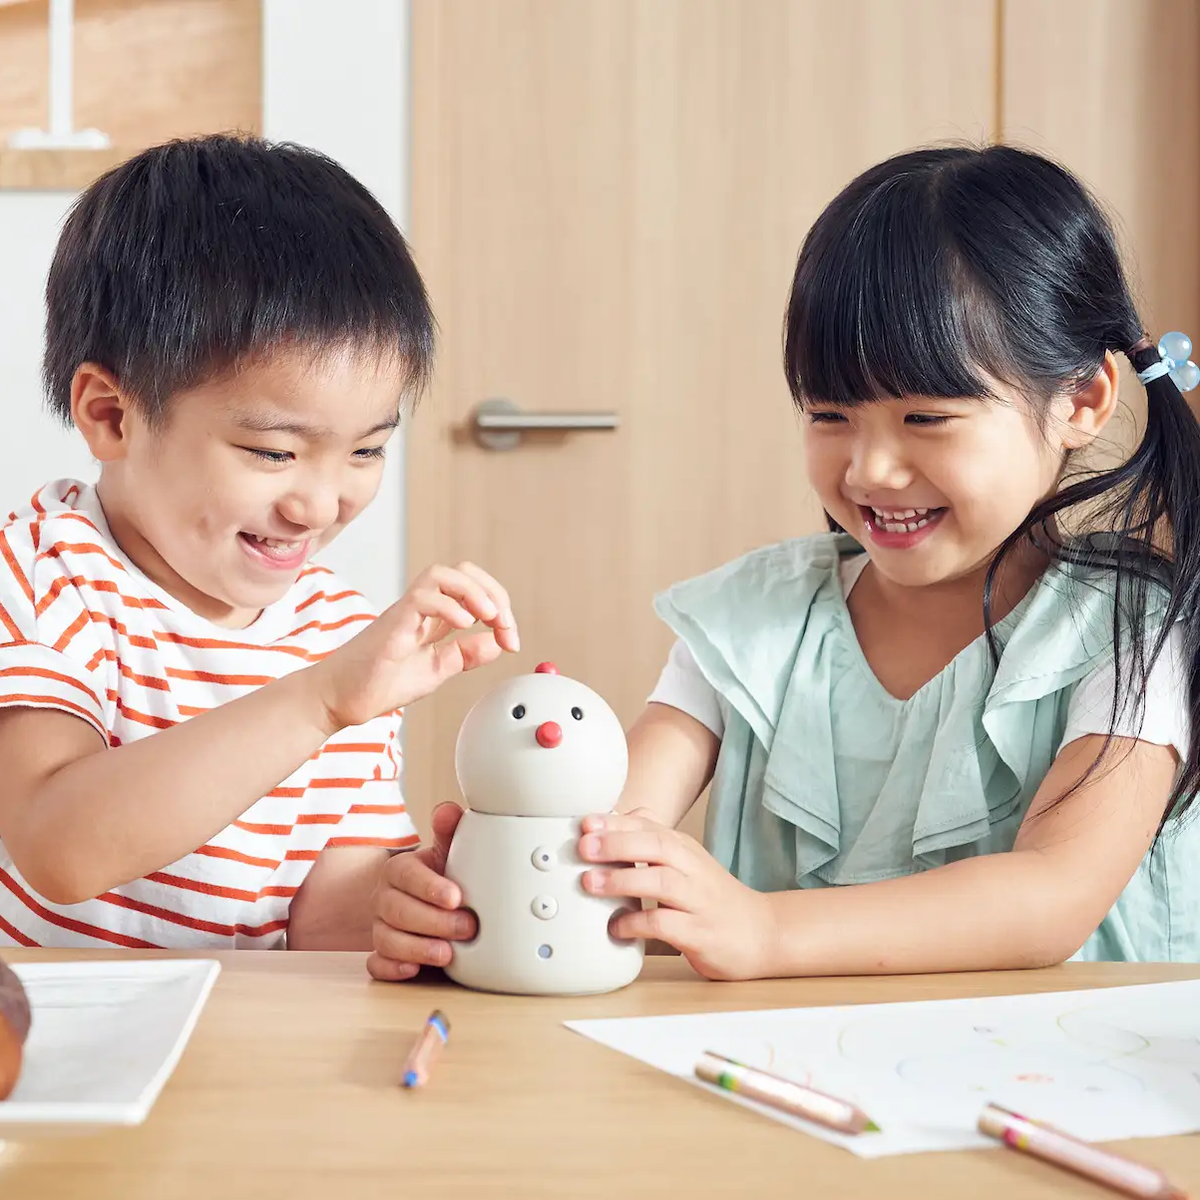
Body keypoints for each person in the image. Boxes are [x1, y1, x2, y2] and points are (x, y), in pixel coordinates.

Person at [370, 145, 1200, 982]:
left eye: (927, 418)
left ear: (1081, 402)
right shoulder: (752, 620)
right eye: (831, 414)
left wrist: (766, 932)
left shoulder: (1132, 632)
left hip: (1054, 1080)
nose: (870, 469)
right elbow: (611, 842)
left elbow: (1051, 898)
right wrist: (490, 896)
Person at [0, 133, 517, 950]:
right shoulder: (39, 575)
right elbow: (58, 849)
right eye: (273, 453)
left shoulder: (341, 635)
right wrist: (319, 700)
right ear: (111, 414)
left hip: (250, 1051)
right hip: (59, 1052)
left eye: (367, 450)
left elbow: (324, 915)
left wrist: (413, 897)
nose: (318, 504)